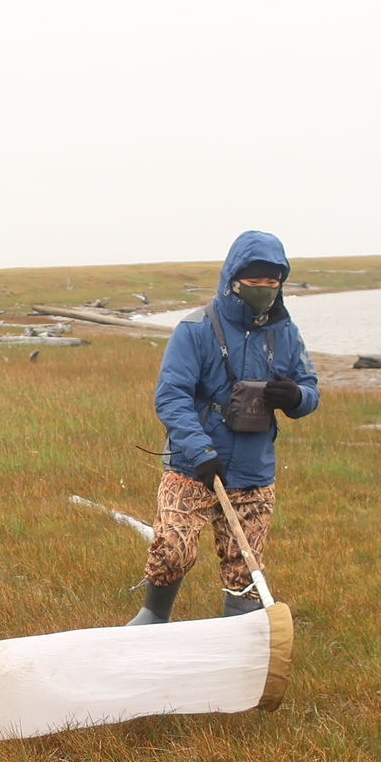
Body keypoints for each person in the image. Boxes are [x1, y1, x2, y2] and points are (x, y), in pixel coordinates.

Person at [128, 229, 319, 625]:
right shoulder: (195, 328)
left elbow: (310, 388)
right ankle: (152, 618)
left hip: (254, 470)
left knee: (244, 566)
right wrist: (200, 452)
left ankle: (238, 635)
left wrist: (296, 397)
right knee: (173, 549)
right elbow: (171, 397)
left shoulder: (285, 332)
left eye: (273, 280)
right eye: (255, 280)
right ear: (233, 278)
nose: (264, 288)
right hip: (192, 467)